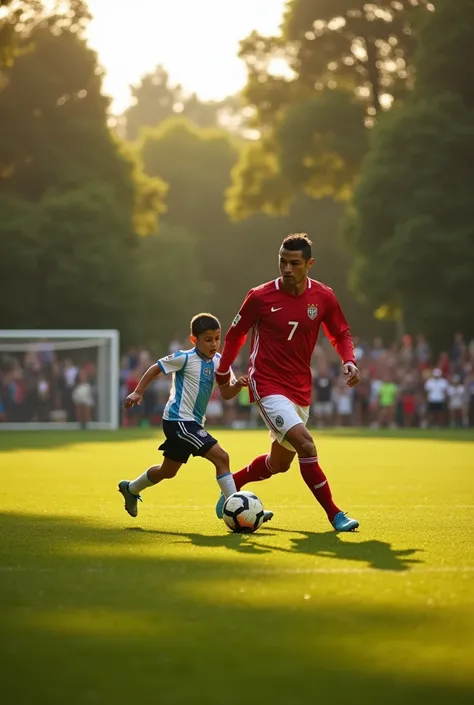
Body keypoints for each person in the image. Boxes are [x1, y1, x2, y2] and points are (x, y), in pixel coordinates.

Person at [214, 233, 360, 532]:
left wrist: (348, 360)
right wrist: (222, 373)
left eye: (294, 263)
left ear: (309, 264)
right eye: (283, 262)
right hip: (266, 383)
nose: (287, 269)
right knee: (306, 444)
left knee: (279, 463)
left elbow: (340, 332)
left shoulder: (323, 296)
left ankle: (234, 484)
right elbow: (235, 335)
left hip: (300, 388)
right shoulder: (260, 296)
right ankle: (335, 514)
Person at [118, 312, 273, 522]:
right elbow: (156, 368)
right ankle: (238, 508)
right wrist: (138, 391)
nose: (214, 344)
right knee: (222, 457)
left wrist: (236, 385)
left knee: (168, 470)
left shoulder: (220, 362)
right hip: (178, 420)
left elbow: (226, 394)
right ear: (194, 340)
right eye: (208, 339)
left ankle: (131, 488)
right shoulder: (185, 357)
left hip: (191, 423)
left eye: (217, 338)